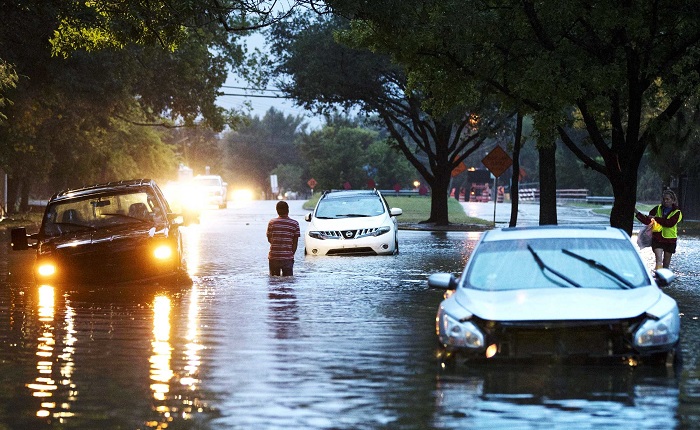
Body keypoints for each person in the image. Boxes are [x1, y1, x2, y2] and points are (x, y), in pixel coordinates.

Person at [635, 189, 683, 270]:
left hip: (670, 240)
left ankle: (664, 278)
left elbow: (669, 223)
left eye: (667, 199)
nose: (665, 201)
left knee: (666, 264)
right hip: (658, 238)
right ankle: (658, 276)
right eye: (664, 199)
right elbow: (648, 220)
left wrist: (656, 218)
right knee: (658, 260)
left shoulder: (677, 212)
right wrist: (637, 213)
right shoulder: (657, 208)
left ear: (673, 200)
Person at [267, 201, 300, 276]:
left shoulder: (272, 223)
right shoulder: (295, 224)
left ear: (277, 210)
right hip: (287, 258)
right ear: (288, 210)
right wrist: (290, 255)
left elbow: (269, 239)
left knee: (274, 282)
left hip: (274, 257)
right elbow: (295, 243)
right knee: (288, 282)